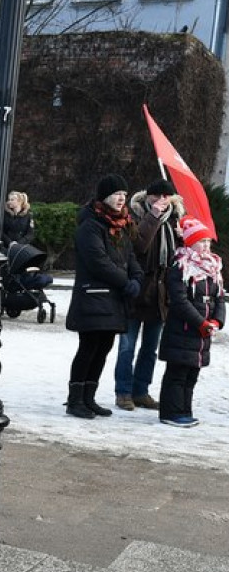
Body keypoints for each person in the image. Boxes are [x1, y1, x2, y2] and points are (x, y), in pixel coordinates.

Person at [64, 174, 143, 419]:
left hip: (113, 301)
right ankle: (75, 399)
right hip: (93, 297)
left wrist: (137, 278)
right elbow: (98, 262)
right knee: (89, 347)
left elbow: (130, 258)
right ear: (104, 197)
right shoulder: (91, 225)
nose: (121, 199)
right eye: (117, 194)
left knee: (104, 348)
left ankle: (89, 397)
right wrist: (126, 282)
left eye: (124, 195)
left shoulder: (122, 225)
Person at [113, 179, 184, 412]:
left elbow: (178, 258)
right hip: (137, 290)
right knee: (127, 346)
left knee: (150, 348)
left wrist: (182, 238)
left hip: (161, 294)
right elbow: (139, 245)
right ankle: (123, 392)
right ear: (148, 196)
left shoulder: (173, 219)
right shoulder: (134, 215)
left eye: (166, 196)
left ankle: (141, 391)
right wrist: (152, 216)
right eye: (157, 196)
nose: (161, 200)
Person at [157, 217, 224, 427]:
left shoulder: (213, 268)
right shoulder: (181, 267)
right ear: (190, 242)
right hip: (183, 330)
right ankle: (170, 412)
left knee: (191, 374)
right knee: (177, 373)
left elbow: (219, 298)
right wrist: (199, 323)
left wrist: (217, 321)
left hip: (202, 334)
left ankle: (185, 408)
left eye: (207, 242)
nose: (206, 245)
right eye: (201, 241)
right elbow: (179, 301)